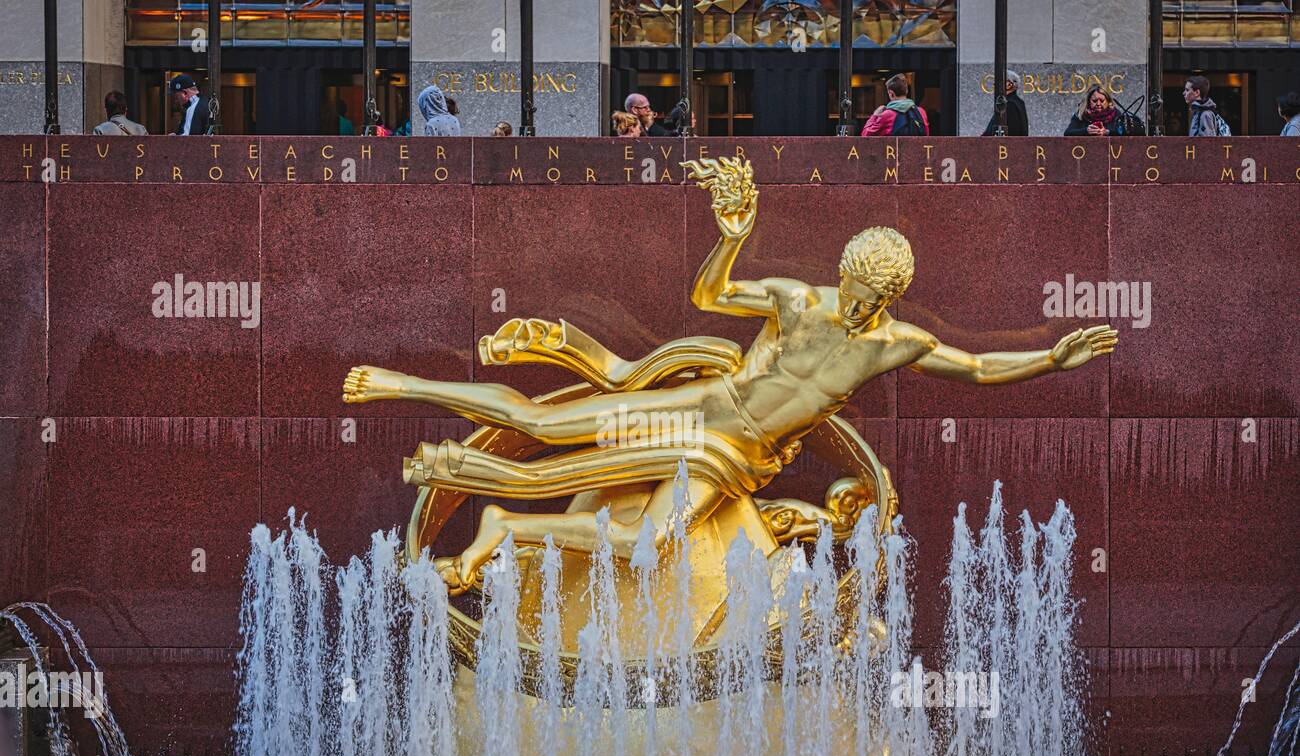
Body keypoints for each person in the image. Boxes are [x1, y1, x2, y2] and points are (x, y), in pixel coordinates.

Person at [342, 158, 1115, 590]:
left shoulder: (894, 343)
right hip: (696, 413)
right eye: (848, 286)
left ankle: (504, 529)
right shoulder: (794, 300)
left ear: (890, 297)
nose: (850, 302)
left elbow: (978, 368)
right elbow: (708, 296)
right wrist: (731, 237)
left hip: (733, 460)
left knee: (651, 540)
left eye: (867, 297)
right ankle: (402, 385)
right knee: (541, 424)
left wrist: (1051, 357)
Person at [859, 73, 929, 136]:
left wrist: (875, 115)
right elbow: (926, 134)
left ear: (891, 93)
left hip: (893, 150)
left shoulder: (887, 115)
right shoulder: (921, 112)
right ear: (906, 91)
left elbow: (866, 135)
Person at [1064, 86, 1135, 137]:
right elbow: (1067, 133)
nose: (1098, 104)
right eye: (1094, 101)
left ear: (1108, 101)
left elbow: (1126, 132)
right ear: (1088, 101)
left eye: (1102, 101)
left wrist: (1107, 132)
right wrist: (1086, 131)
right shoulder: (1081, 114)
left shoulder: (1116, 113)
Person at [982, 71, 1028, 136]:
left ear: (1009, 85)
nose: (994, 85)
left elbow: (1012, 132)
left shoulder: (1010, 104)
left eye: (999, 81)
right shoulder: (1017, 102)